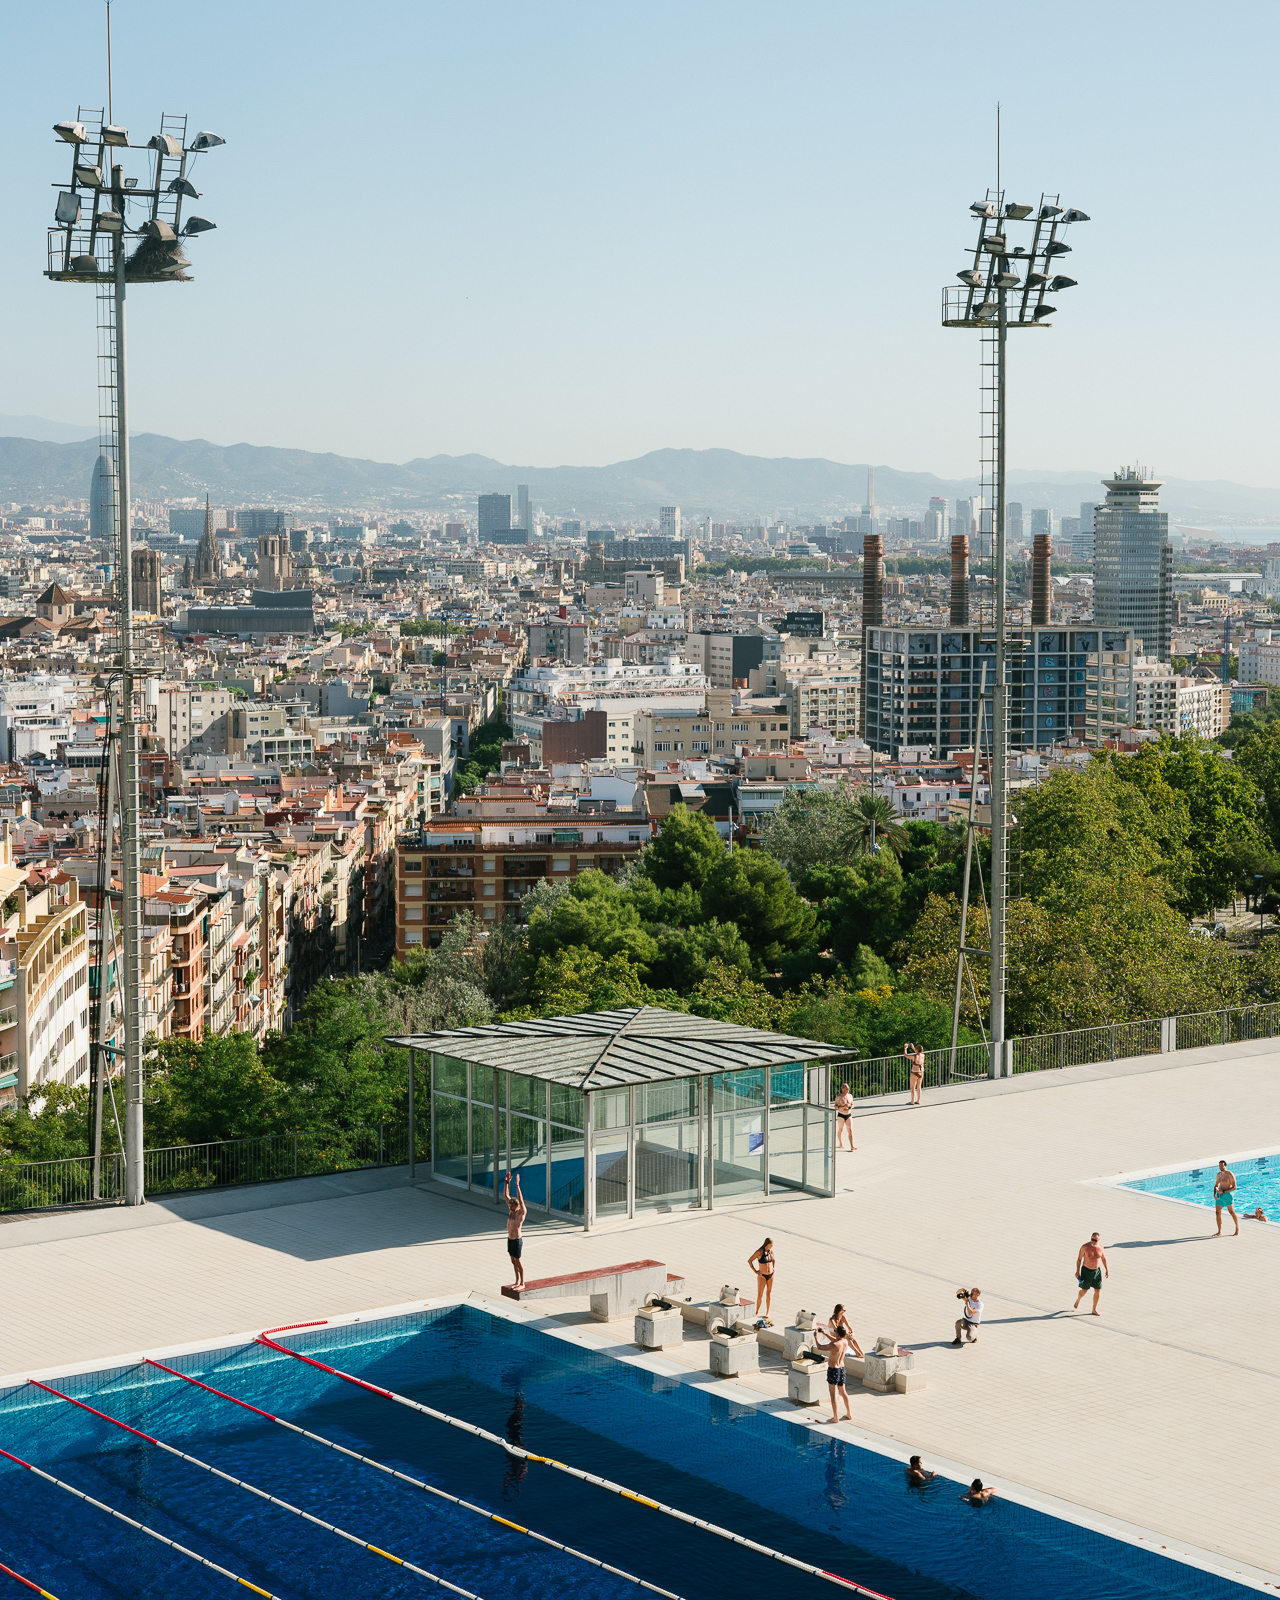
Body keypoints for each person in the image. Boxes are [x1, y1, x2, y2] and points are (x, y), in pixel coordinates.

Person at [812, 1322, 853, 1425]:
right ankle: (849, 1414)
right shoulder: (844, 1341)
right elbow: (836, 1341)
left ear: (838, 1334)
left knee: (833, 1395)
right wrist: (825, 1334)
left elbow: (820, 1347)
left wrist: (816, 1336)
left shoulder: (834, 1345)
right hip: (842, 1368)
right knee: (843, 1392)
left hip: (833, 1370)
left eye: (835, 1332)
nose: (834, 1333)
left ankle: (835, 1417)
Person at [1073, 1232, 1109, 1315]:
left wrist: (1107, 1269)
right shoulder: (1085, 1247)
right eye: (1092, 1239)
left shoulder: (1100, 1247)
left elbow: (1103, 1258)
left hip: (1097, 1271)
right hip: (1086, 1271)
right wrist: (1077, 1271)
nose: (1093, 1241)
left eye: (1095, 1240)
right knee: (1084, 1290)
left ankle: (1094, 1309)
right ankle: (1078, 1300)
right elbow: (1079, 1259)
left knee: (1098, 1290)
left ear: (1098, 1240)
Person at [503, 1171, 527, 1289]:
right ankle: (517, 1281)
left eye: (512, 1207)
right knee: (513, 1261)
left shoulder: (521, 1213)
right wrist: (506, 1183)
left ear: (517, 1206)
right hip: (510, 1239)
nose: (510, 1208)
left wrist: (517, 1186)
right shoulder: (511, 1210)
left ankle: (522, 1283)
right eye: (510, 1206)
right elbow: (506, 1195)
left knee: (518, 1261)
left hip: (517, 1240)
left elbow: (521, 1201)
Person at [747, 1237, 776, 1324]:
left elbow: (773, 1259)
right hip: (762, 1276)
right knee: (760, 1294)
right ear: (767, 1244)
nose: (772, 1247)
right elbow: (750, 1261)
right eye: (771, 1245)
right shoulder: (759, 1252)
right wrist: (755, 1271)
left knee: (769, 1293)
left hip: (771, 1275)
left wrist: (773, 1268)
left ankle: (767, 1311)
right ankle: (757, 1310)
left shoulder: (771, 1251)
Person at [1213, 1160, 1239, 1236]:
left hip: (1228, 1194)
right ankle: (1219, 1231)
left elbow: (1234, 1187)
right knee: (1217, 1213)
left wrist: (1223, 1191)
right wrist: (1214, 1193)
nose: (1220, 1167)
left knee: (1231, 1212)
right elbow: (1216, 1185)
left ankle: (1237, 1228)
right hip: (1220, 1194)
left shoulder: (1230, 1174)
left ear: (1225, 1166)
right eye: (1219, 1166)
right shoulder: (1218, 1175)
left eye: (1222, 1166)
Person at [834, 1082, 857, 1151]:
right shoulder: (839, 1097)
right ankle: (840, 1143)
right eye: (847, 1088)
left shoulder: (850, 1096)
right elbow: (835, 1107)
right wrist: (843, 1106)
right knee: (841, 1129)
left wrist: (850, 1107)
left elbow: (853, 1104)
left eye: (848, 1088)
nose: (848, 1089)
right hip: (841, 1115)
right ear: (843, 1089)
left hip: (848, 1114)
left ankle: (852, 1146)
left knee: (850, 1130)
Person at [903, 1041, 925, 1107]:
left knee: (912, 1087)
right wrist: (913, 1048)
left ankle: (912, 1101)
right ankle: (918, 1100)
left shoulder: (914, 1057)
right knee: (919, 1087)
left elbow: (906, 1055)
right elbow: (918, 1052)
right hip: (921, 1072)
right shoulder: (923, 1055)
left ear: (917, 1050)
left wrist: (905, 1048)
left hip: (914, 1072)